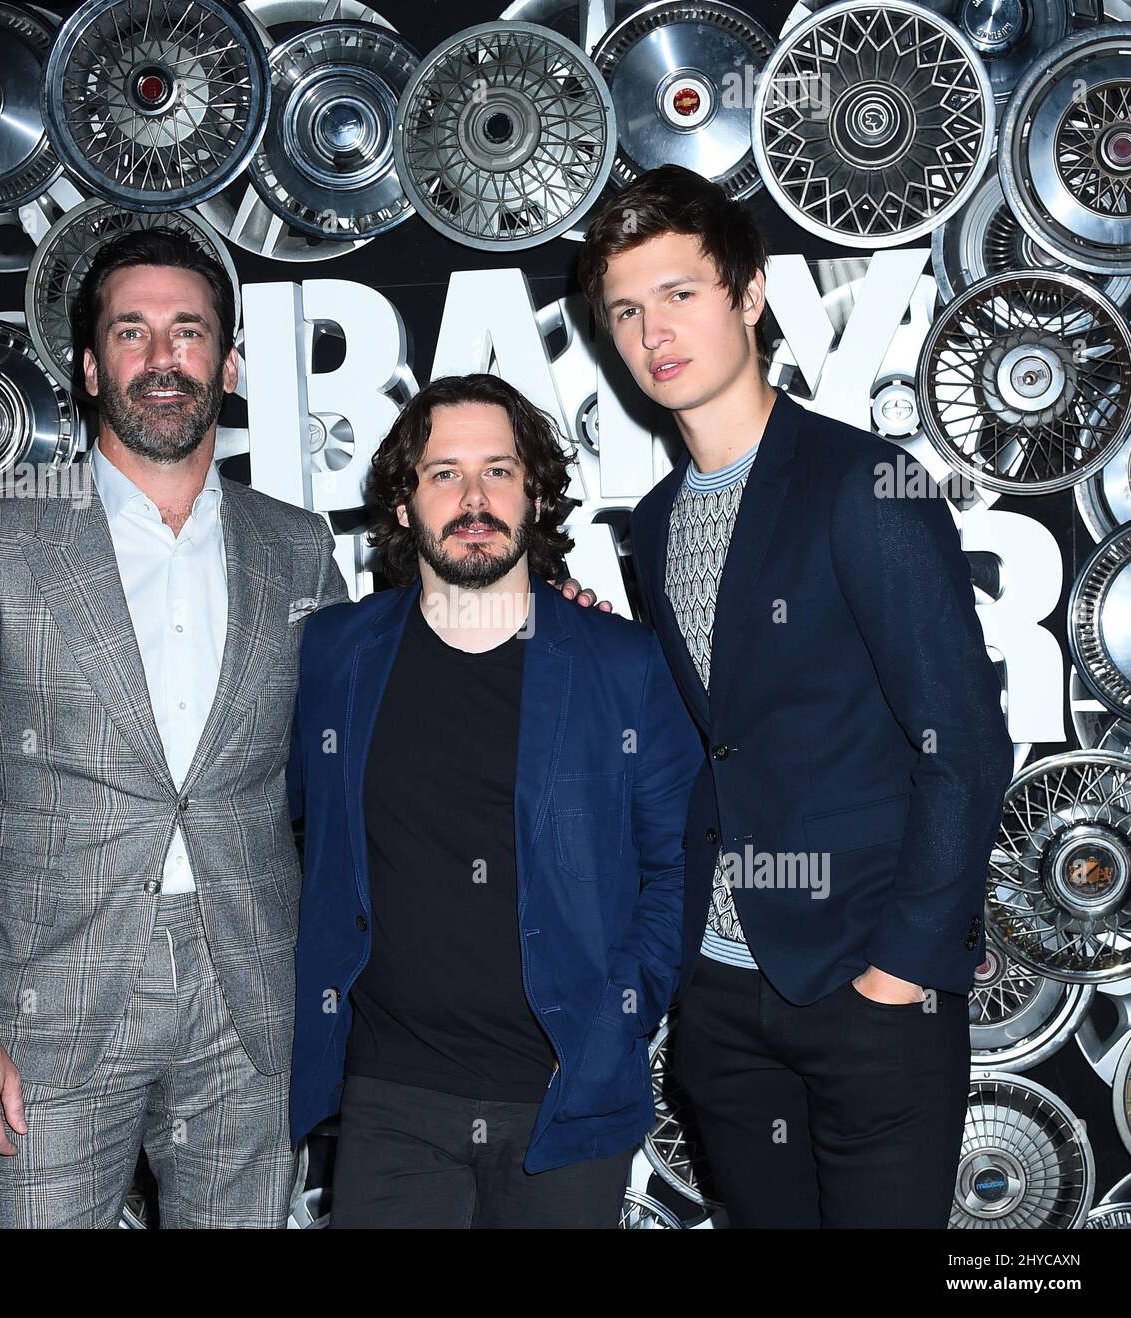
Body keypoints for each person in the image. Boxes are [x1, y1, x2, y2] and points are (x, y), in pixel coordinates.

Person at [577, 164, 1014, 1228]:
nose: (652, 332)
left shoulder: (862, 482)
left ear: (750, 293)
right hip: (721, 1000)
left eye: (678, 293)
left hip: (866, 989)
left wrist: (901, 969)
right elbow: (713, 738)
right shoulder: (655, 520)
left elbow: (962, 742)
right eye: (625, 310)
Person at [0, 227, 350, 1227]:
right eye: (131, 333)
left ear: (227, 364)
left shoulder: (296, 547)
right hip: (45, 1005)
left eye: (188, 332)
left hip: (252, 993)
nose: (161, 358)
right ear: (90, 366)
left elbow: (359, 761)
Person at [287, 373, 703, 1228]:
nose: (473, 498)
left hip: (561, 1098)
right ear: (402, 506)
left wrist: (610, 1028)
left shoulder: (622, 665)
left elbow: (677, 872)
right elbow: (284, 824)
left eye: (499, 472)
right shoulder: (335, 653)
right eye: (443, 474)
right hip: (390, 1097)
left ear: (538, 494)